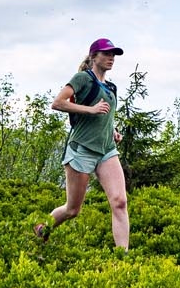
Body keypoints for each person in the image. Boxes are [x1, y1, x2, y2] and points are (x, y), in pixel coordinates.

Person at [33, 38, 131, 250]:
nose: (111, 58)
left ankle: (124, 258)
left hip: (106, 151)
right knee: (72, 210)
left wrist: (112, 131)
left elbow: (106, 115)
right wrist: (91, 110)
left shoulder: (111, 87)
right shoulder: (82, 79)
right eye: (106, 54)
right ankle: (42, 229)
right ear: (93, 56)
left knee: (120, 202)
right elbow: (58, 103)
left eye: (113, 54)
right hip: (82, 150)